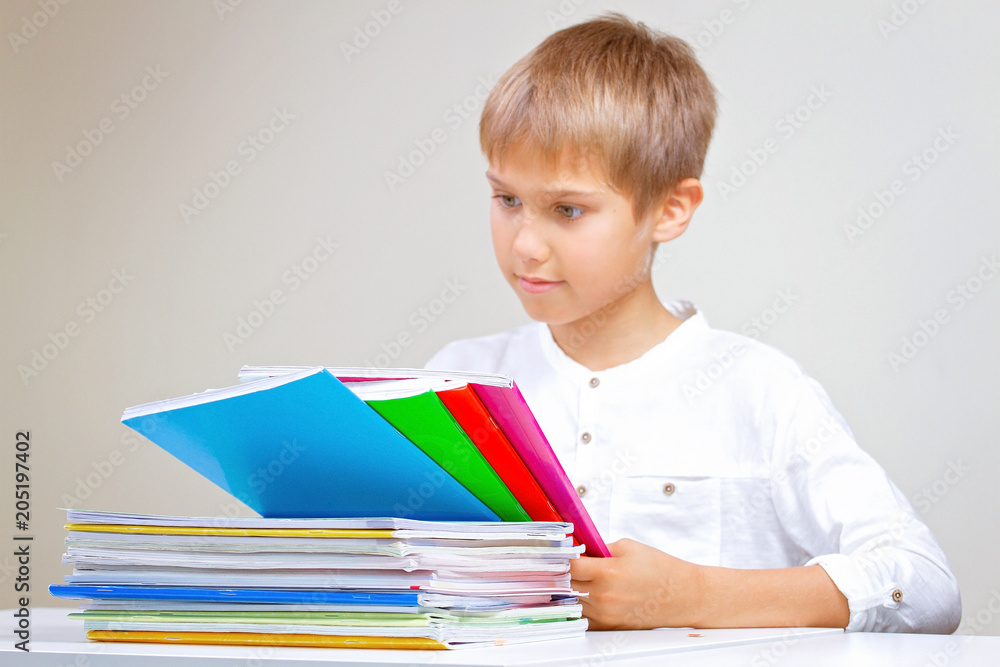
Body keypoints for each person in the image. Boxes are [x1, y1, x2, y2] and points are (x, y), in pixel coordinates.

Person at [425, 13, 960, 633]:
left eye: (567, 209)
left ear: (671, 209)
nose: (524, 245)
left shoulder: (758, 389)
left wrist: (695, 595)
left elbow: (922, 585)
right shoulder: (456, 381)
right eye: (507, 200)